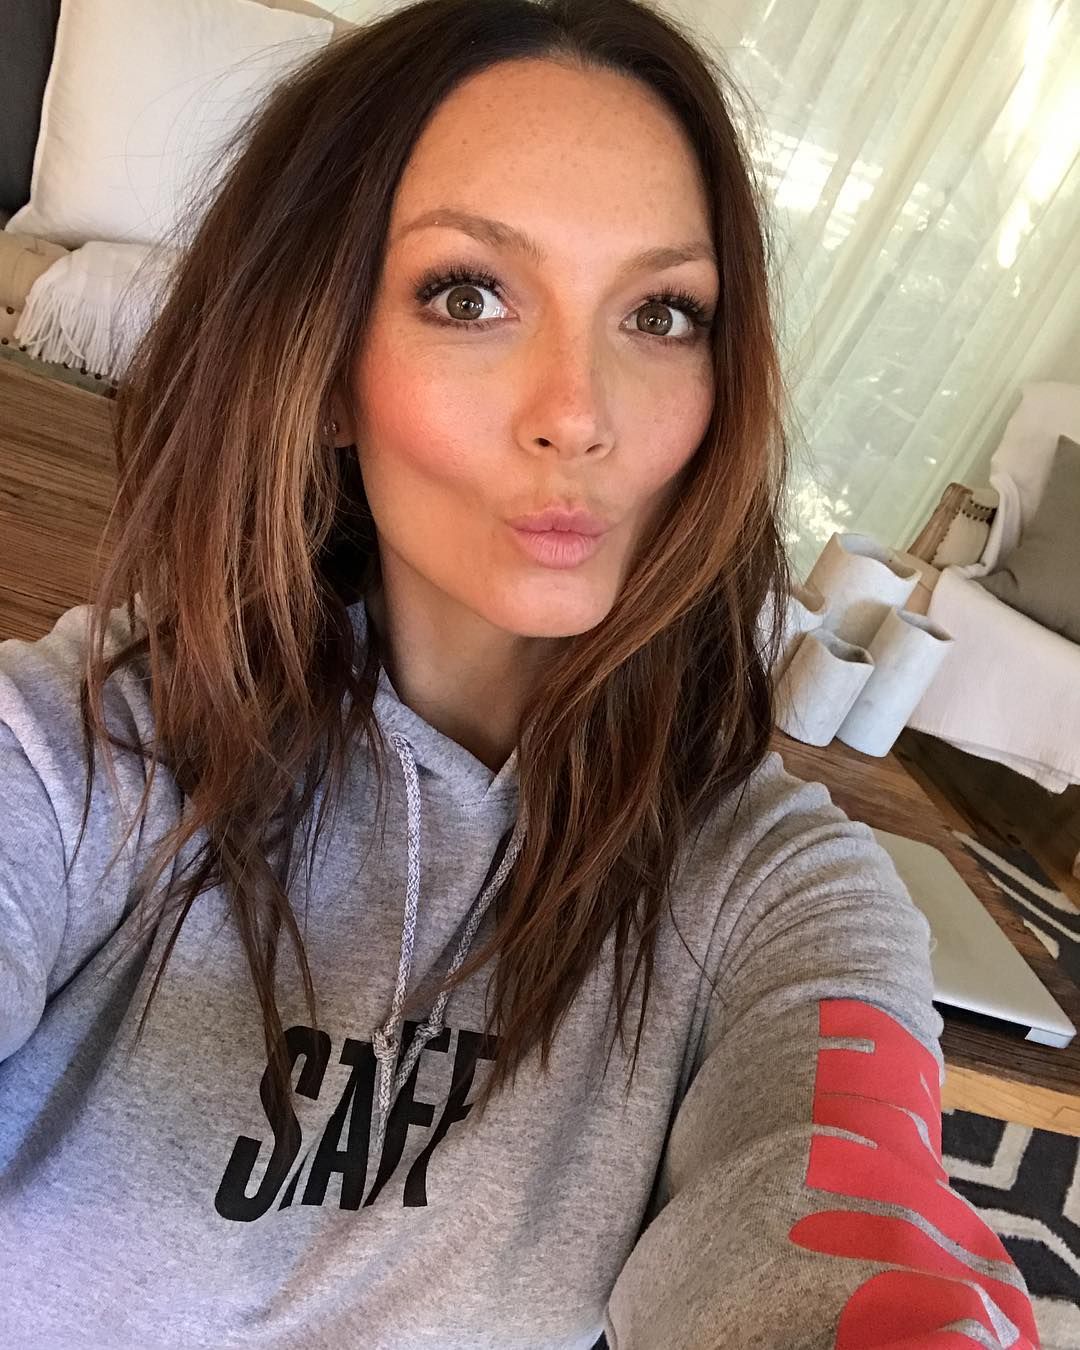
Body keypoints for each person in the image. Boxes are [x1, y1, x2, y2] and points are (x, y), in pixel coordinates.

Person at [0, 1, 1039, 1346]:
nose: (581, 414)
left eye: (662, 313)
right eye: (468, 295)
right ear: (326, 362)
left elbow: (856, 1227)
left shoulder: (770, 890)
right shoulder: (81, 754)